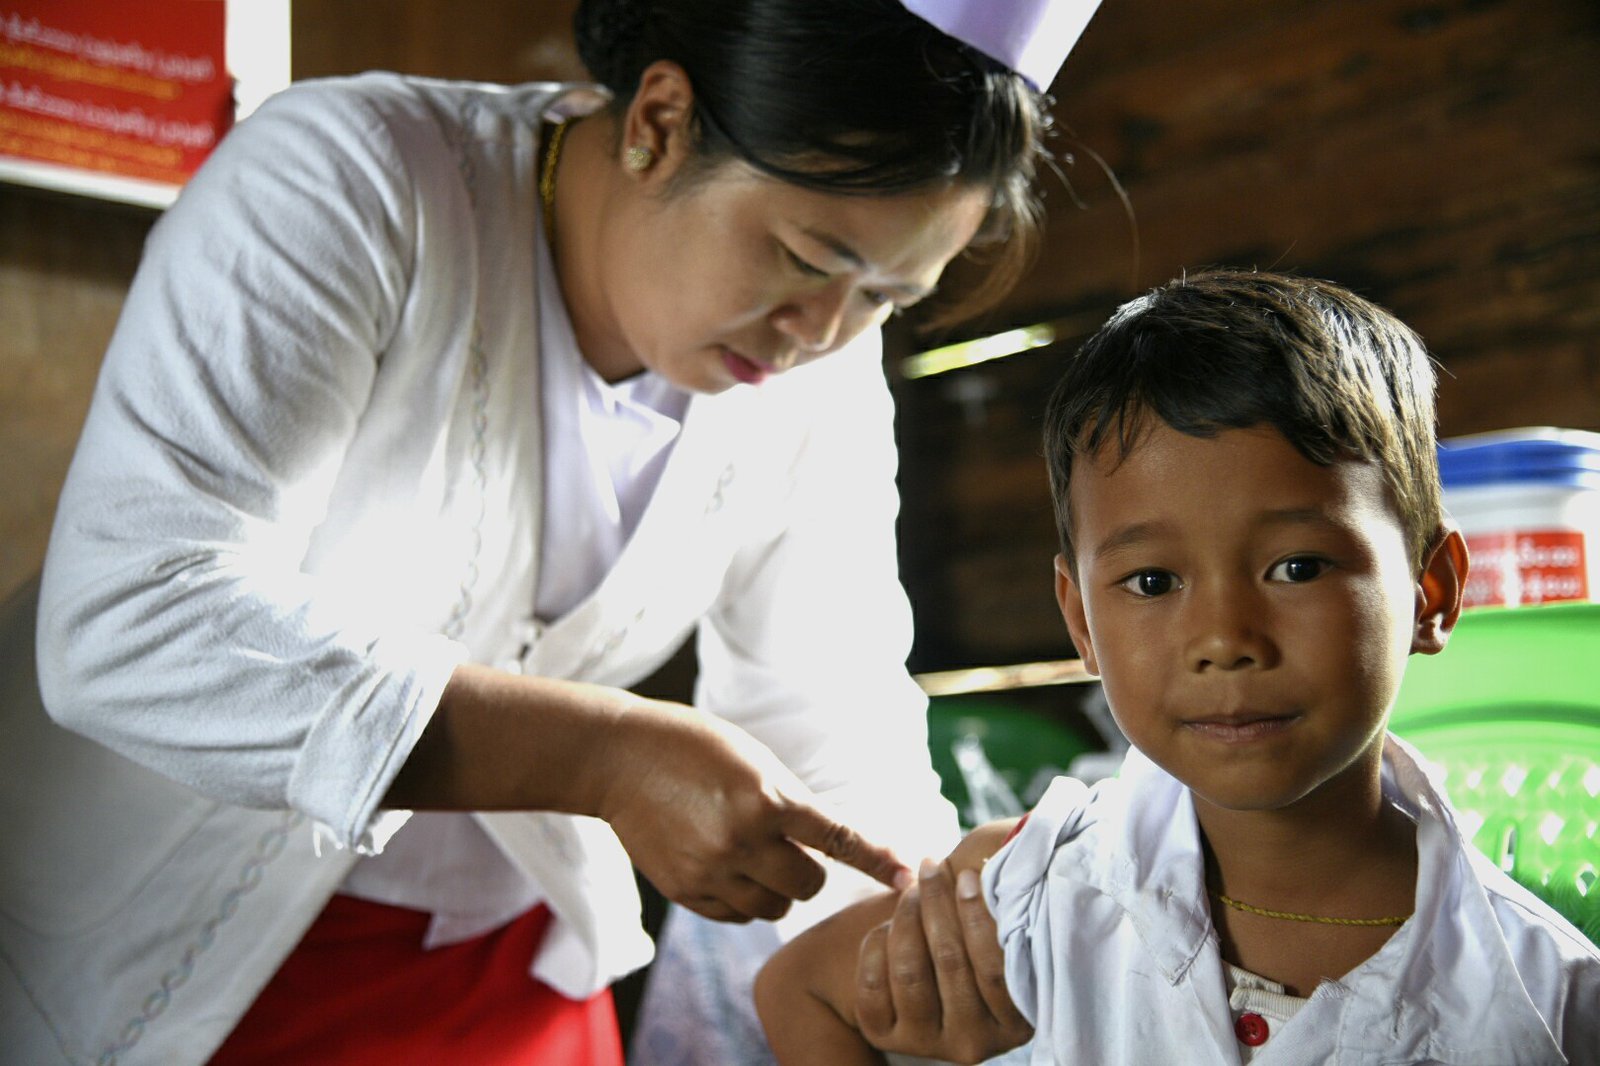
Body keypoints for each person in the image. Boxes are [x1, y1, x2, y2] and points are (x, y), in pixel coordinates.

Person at [0, 1, 1106, 1063]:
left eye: (884, 296)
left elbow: (821, 701)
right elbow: (131, 615)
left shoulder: (817, 362)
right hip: (163, 947)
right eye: (808, 258)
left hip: (505, 969)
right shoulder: (351, 177)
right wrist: (606, 756)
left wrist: (922, 926)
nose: (823, 330)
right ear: (658, 122)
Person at [754, 270, 1600, 1064]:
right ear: (1081, 620)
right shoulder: (1033, 896)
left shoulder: (1548, 1004)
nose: (1225, 637)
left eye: (1297, 567)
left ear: (1431, 590)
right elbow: (799, 990)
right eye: (1153, 582)